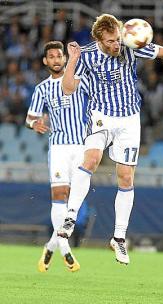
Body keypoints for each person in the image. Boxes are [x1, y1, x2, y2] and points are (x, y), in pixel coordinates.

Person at [58, 14, 163, 265]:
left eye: (117, 39)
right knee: (92, 159)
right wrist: (73, 60)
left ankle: (118, 238)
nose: (115, 45)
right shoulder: (86, 55)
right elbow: (68, 88)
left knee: (126, 177)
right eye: (110, 41)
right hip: (101, 116)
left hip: (129, 119)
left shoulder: (131, 46)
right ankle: (70, 215)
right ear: (98, 38)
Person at [26, 41, 89, 272]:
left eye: (58, 56)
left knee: (74, 201)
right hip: (59, 146)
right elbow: (29, 118)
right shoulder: (42, 89)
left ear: (64, 59)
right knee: (59, 196)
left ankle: (51, 245)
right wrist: (35, 124)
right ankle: (65, 249)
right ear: (45, 61)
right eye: (50, 56)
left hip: (82, 146)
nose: (55, 59)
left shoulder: (80, 81)